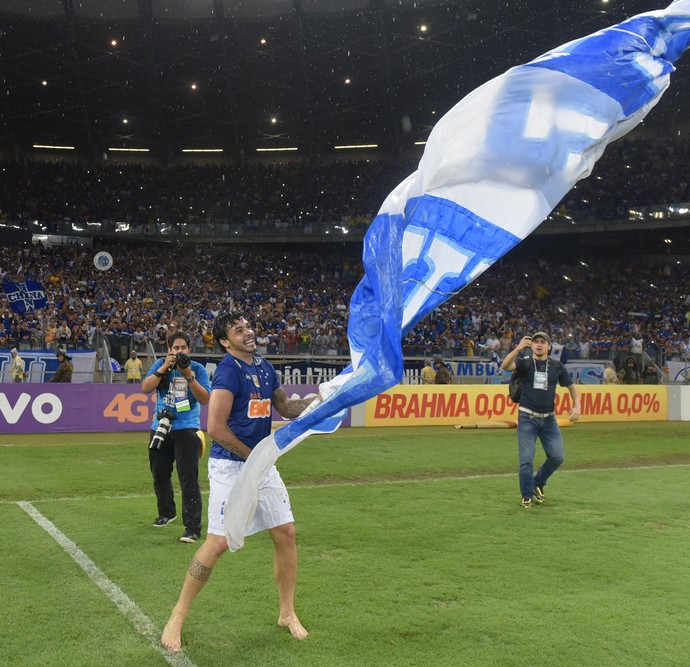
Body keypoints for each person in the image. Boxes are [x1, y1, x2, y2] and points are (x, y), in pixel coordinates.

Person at [161, 311, 319, 654]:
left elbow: (286, 407)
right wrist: (254, 458)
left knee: (286, 533)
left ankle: (287, 612)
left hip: (259, 464)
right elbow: (215, 428)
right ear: (224, 341)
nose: (248, 332)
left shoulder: (263, 365)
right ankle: (177, 615)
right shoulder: (228, 373)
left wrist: (316, 403)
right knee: (217, 543)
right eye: (238, 329)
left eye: (248, 326)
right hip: (231, 468)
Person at [142, 332, 211, 543]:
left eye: (183, 348)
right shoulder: (160, 365)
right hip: (161, 426)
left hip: (187, 427)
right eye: (176, 348)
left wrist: (188, 375)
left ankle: (192, 527)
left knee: (188, 478)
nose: (179, 351)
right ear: (169, 348)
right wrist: (164, 368)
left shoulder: (197, 369)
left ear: (189, 349)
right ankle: (167, 512)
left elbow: (205, 398)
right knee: (159, 473)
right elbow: (145, 388)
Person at [501, 331, 580, 508]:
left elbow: (572, 387)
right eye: (535, 341)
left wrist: (577, 406)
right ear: (531, 345)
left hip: (549, 420)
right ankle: (527, 495)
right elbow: (505, 366)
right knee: (526, 458)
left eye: (542, 342)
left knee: (557, 456)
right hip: (527, 417)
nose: (539, 344)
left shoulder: (557, 366)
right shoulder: (525, 363)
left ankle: (538, 483)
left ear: (548, 346)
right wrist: (518, 349)